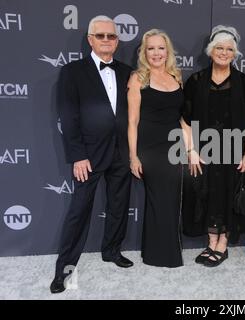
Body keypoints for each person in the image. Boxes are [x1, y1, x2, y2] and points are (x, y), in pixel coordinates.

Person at [51, 15, 133, 294]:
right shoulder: (72, 72)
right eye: (101, 36)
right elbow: (68, 116)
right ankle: (65, 267)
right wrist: (77, 155)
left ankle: (112, 250)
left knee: (119, 205)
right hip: (89, 155)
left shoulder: (127, 71)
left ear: (117, 40)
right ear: (90, 39)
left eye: (111, 36)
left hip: (121, 152)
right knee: (79, 211)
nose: (107, 40)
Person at [181, 25, 245, 267]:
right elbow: (184, 121)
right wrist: (191, 151)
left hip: (234, 152)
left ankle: (223, 245)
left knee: (228, 194)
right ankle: (211, 241)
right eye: (219, 47)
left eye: (229, 49)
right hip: (204, 152)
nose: (224, 52)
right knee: (207, 194)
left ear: (235, 53)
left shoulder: (243, 82)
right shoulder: (196, 81)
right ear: (210, 51)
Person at [127, 29, 184, 268]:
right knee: (159, 199)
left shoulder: (176, 77)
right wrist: (133, 156)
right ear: (144, 52)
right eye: (151, 48)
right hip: (151, 148)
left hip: (175, 146)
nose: (156, 53)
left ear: (167, 51)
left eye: (161, 48)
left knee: (170, 200)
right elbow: (132, 121)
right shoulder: (138, 79)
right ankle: (161, 255)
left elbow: (182, 119)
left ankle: (161, 251)